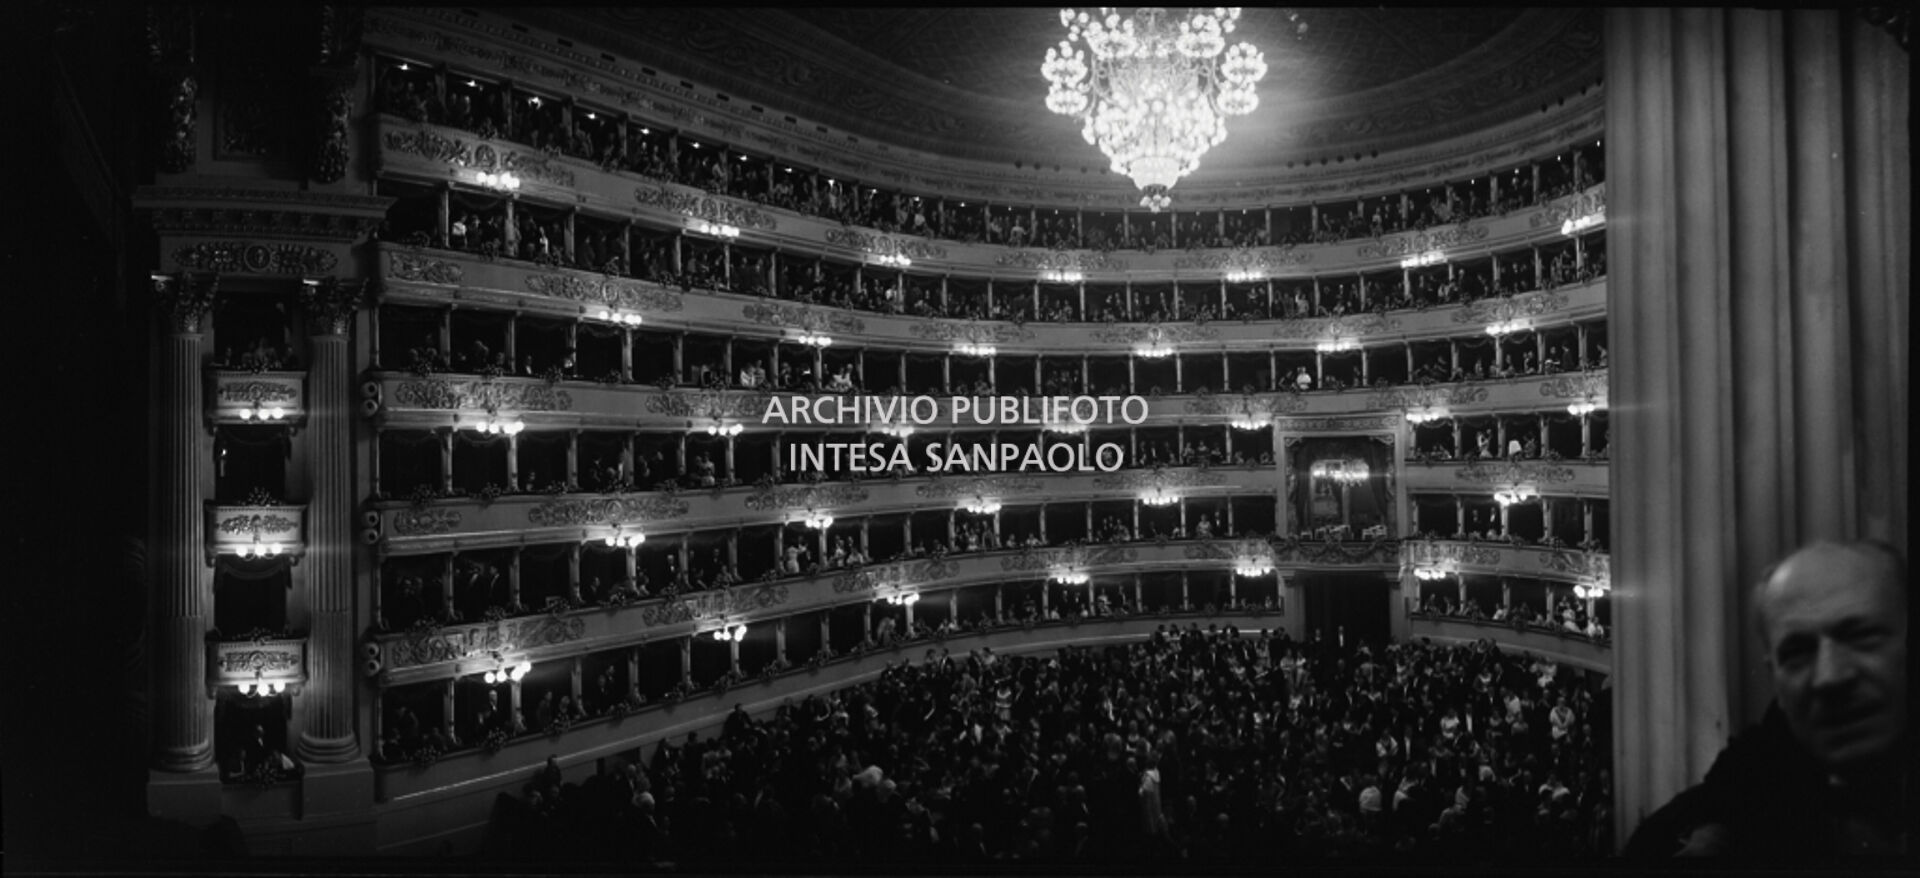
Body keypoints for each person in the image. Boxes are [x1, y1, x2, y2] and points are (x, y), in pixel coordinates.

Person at [1626, 541, 1911, 859]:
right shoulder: (1690, 834)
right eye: (1797, 652)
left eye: (1861, 636)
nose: (1829, 676)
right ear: (1773, 674)